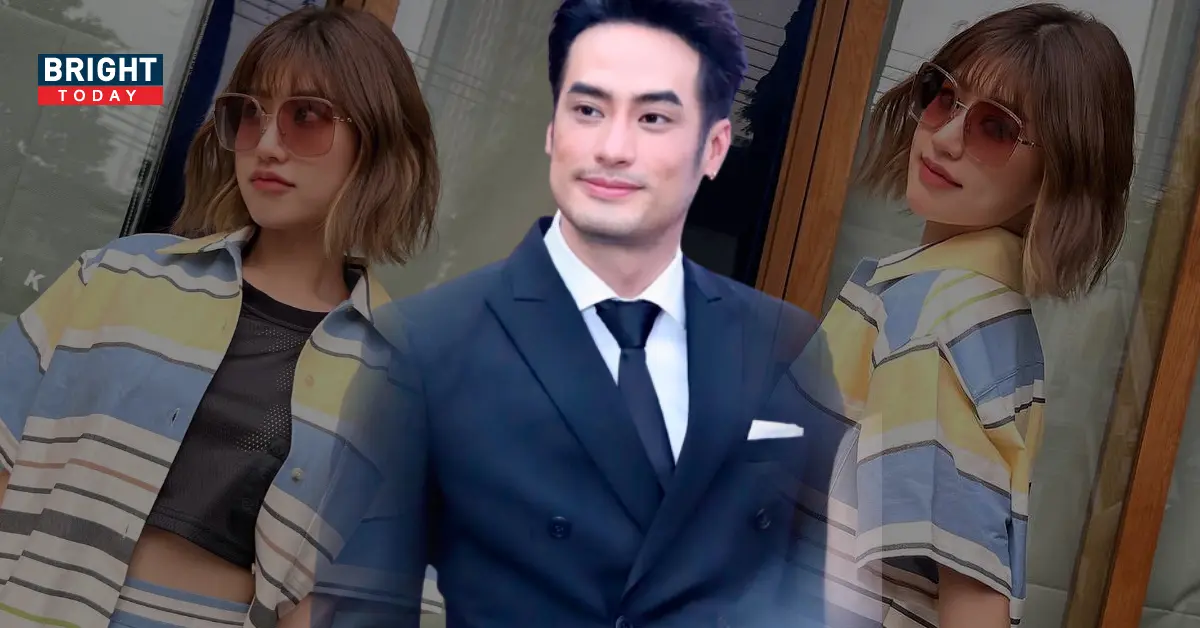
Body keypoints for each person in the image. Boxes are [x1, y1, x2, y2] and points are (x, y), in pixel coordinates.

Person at [308, 0, 839, 626]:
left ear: (714, 147)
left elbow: (820, 592)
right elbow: (362, 609)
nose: (612, 148)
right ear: (553, 129)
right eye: (588, 110)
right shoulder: (428, 343)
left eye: (653, 117)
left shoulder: (782, 344)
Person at [0, 6, 439, 628]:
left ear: (376, 143)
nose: (267, 146)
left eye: (306, 118)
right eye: (248, 115)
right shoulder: (120, 274)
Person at [786, 4, 1135, 627]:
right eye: (944, 96)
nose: (945, 137)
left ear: (1057, 174)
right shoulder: (966, 307)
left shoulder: (940, 315)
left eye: (995, 129)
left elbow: (973, 593)